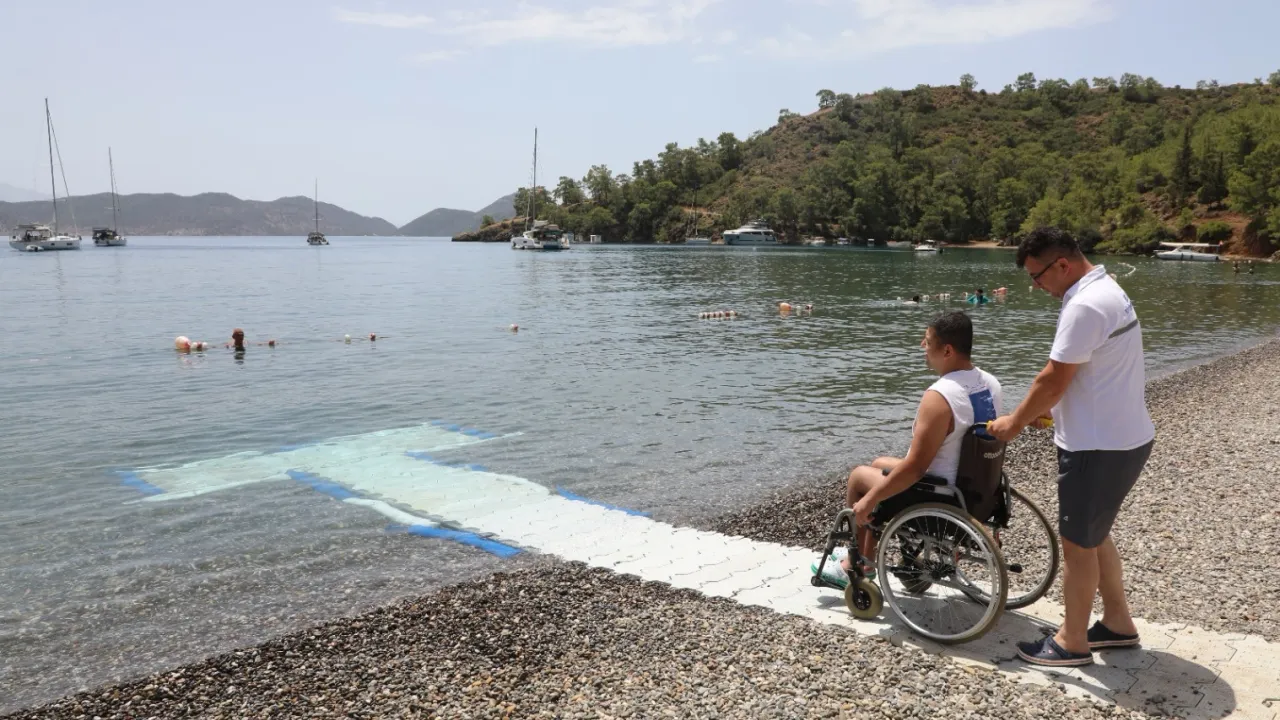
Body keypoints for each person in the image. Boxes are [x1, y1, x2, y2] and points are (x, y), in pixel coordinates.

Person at [987, 227, 1155, 668]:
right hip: (1123, 437)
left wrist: (1013, 422)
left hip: (1097, 448)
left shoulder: (1083, 304)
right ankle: (1117, 623)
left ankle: (1071, 642)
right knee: (1094, 535)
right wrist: (1053, 408)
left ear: (1061, 264)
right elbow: (1088, 371)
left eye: (1037, 276)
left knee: (1078, 545)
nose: (1035, 285)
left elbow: (1052, 378)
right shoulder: (1106, 288)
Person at [813, 311, 1003, 585]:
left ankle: (857, 565)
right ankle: (872, 551)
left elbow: (915, 468)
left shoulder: (940, 396)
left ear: (947, 350)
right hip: (977, 488)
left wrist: (869, 500)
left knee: (858, 477)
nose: (922, 346)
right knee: (879, 463)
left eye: (927, 341)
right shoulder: (990, 383)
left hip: (942, 495)